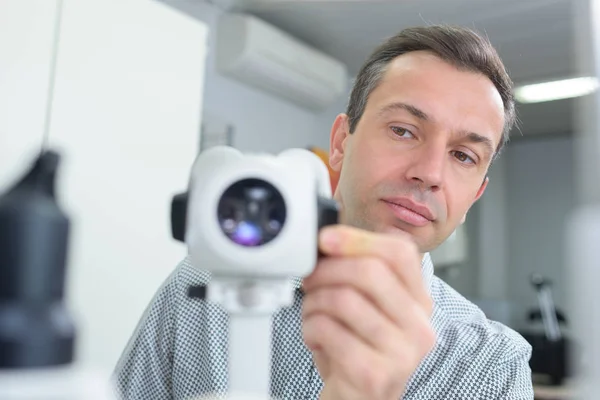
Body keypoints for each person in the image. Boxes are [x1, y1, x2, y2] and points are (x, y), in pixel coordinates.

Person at [113, 24, 534, 399]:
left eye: (463, 156)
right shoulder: (200, 285)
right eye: (403, 130)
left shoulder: (492, 366)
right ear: (340, 143)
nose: (428, 173)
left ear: (473, 197)